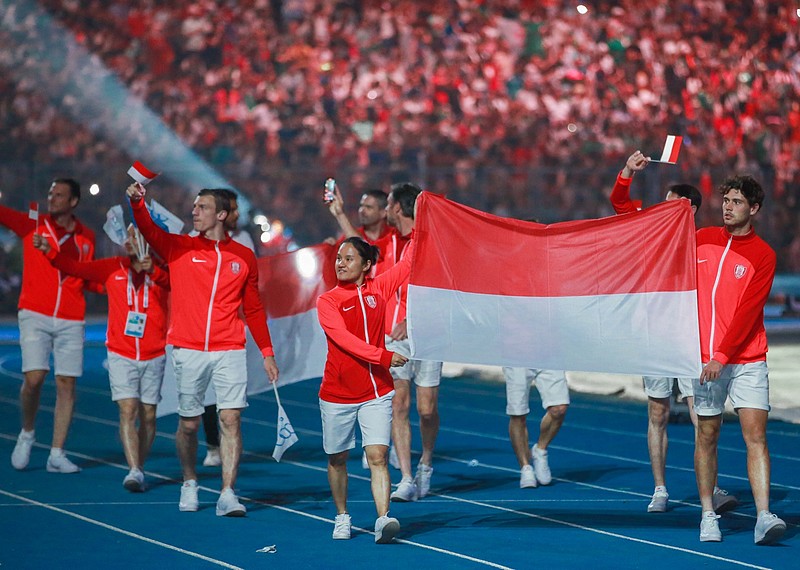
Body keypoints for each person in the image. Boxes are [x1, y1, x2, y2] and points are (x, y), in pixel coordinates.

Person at [126, 182, 279, 516]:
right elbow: (149, 231)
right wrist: (138, 203)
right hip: (188, 348)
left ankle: (227, 493)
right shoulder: (178, 247)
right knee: (190, 425)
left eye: (202, 207)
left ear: (221, 215)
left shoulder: (243, 257)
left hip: (229, 348)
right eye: (194, 206)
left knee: (231, 419)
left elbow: (253, 309)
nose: (194, 211)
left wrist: (266, 352)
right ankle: (190, 482)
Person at [610, 151, 737, 515]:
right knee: (657, 413)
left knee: (702, 412)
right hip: (653, 337)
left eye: (671, 207)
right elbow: (619, 203)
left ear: (690, 210)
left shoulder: (703, 242)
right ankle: (660, 489)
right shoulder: (648, 236)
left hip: (689, 337)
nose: (661, 212)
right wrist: (627, 172)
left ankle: (710, 486)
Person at [33, 227, 169, 491]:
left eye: (136, 237)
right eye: (127, 237)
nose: (129, 241)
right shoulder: (112, 267)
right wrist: (50, 252)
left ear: (148, 241)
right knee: (128, 409)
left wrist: (153, 270)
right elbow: (75, 268)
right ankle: (134, 470)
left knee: (149, 415)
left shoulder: (163, 271)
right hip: (120, 351)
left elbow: (177, 285)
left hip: (154, 352)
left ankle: (139, 465)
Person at [693, 175, 785, 545]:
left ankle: (763, 516)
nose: (728, 206)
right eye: (726, 200)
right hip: (704, 359)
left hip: (746, 358)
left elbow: (748, 312)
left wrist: (723, 354)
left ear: (754, 208)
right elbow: (642, 226)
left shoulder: (763, 255)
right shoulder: (701, 239)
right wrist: (626, 178)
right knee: (707, 434)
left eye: (737, 201)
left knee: (756, 436)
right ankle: (707, 515)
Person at [316, 235, 415, 543]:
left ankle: (383, 519)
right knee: (337, 459)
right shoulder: (328, 301)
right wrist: (385, 356)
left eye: (348, 258)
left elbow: (409, 263)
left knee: (377, 456)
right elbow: (347, 343)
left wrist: (424, 220)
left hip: (376, 392)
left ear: (366, 265)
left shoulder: (379, 288)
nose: (340, 263)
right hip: (338, 393)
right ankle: (342, 516)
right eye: (338, 258)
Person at [1, 179, 96, 474]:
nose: (51, 198)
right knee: (35, 378)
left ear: (74, 202)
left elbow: (86, 273)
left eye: (59, 195)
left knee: (67, 383)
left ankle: (57, 452)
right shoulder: (33, 225)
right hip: (34, 312)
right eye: (50, 193)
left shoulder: (86, 238)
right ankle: (27, 432)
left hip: (70, 315)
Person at [194, 189, 254, 469]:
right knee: (204, 397)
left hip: (232, 332)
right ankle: (212, 444)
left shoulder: (244, 242)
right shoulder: (195, 240)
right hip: (201, 333)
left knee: (230, 405)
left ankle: (228, 470)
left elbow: (253, 284)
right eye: (233, 208)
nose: (237, 214)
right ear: (222, 213)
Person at [503, 368, 569, 488]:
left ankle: (540, 450)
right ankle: (525, 467)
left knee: (559, 409)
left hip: (549, 356)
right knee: (518, 414)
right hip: (516, 359)